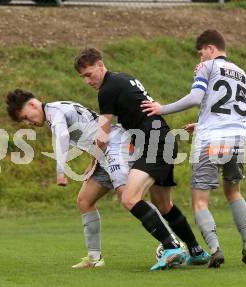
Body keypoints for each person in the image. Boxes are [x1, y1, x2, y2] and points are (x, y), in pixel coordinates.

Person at [74, 48, 209, 270]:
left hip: (154, 144)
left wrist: (92, 161)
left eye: (89, 74)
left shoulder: (107, 89)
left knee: (129, 198)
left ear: (100, 65)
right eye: (83, 78)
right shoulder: (123, 78)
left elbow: (103, 134)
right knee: (164, 204)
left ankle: (171, 246)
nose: (87, 81)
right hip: (163, 140)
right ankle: (196, 251)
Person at [141, 29, 246, 267]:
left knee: (200, 201)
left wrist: (162, 108)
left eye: (201, 53)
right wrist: (203, 121)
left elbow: (196, 98)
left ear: (211, 49)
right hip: (238, 138)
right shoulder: (241, 73)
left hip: (212, 140)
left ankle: (215, 249)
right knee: (234, 191)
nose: (200, 59)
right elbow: (236, 107)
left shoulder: (208, 66)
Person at [6, 89, 133, 268]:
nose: (28, 123)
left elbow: (63, 137)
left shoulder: (54, 113)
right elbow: (92, 129)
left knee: (129, 198)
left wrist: (61, 171)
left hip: (116, 146)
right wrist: (93, 161)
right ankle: (94, 258)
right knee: (84, 200)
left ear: (33, 105)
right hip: (104, 152)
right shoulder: (56, 109)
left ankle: (171, 244)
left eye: (26, 117)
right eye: (23, 121)